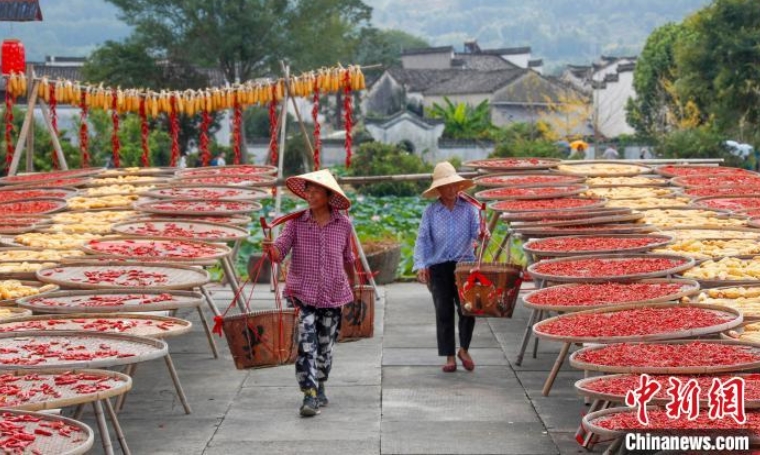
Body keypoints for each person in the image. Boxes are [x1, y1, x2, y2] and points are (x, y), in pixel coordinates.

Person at [263, 169, 355, 417]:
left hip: (334, 294)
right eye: (308, 190)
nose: (310, 195)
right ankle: (309, 394)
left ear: (328, 195)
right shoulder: (296, 223)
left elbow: (348, 259)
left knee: (325, 347)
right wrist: (270, 249)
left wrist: (354, 289)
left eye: (316, 191)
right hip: (300, 293)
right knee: (306, 344)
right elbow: (279, 251)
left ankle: (320, 382)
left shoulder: (343, 224)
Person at [413, 161, 481, 373]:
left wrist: (481, 236)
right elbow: (422, 239)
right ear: (438, 190)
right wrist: (420, 264)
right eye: (447, 186)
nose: (451, 189)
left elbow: (476, 234)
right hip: (439, 267)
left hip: (464, 266)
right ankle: (450, 357)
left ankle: (464, 349)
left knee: (468, 310)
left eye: (454, 185)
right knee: (443, 311)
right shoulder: (431, 212)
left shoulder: (470, 210)